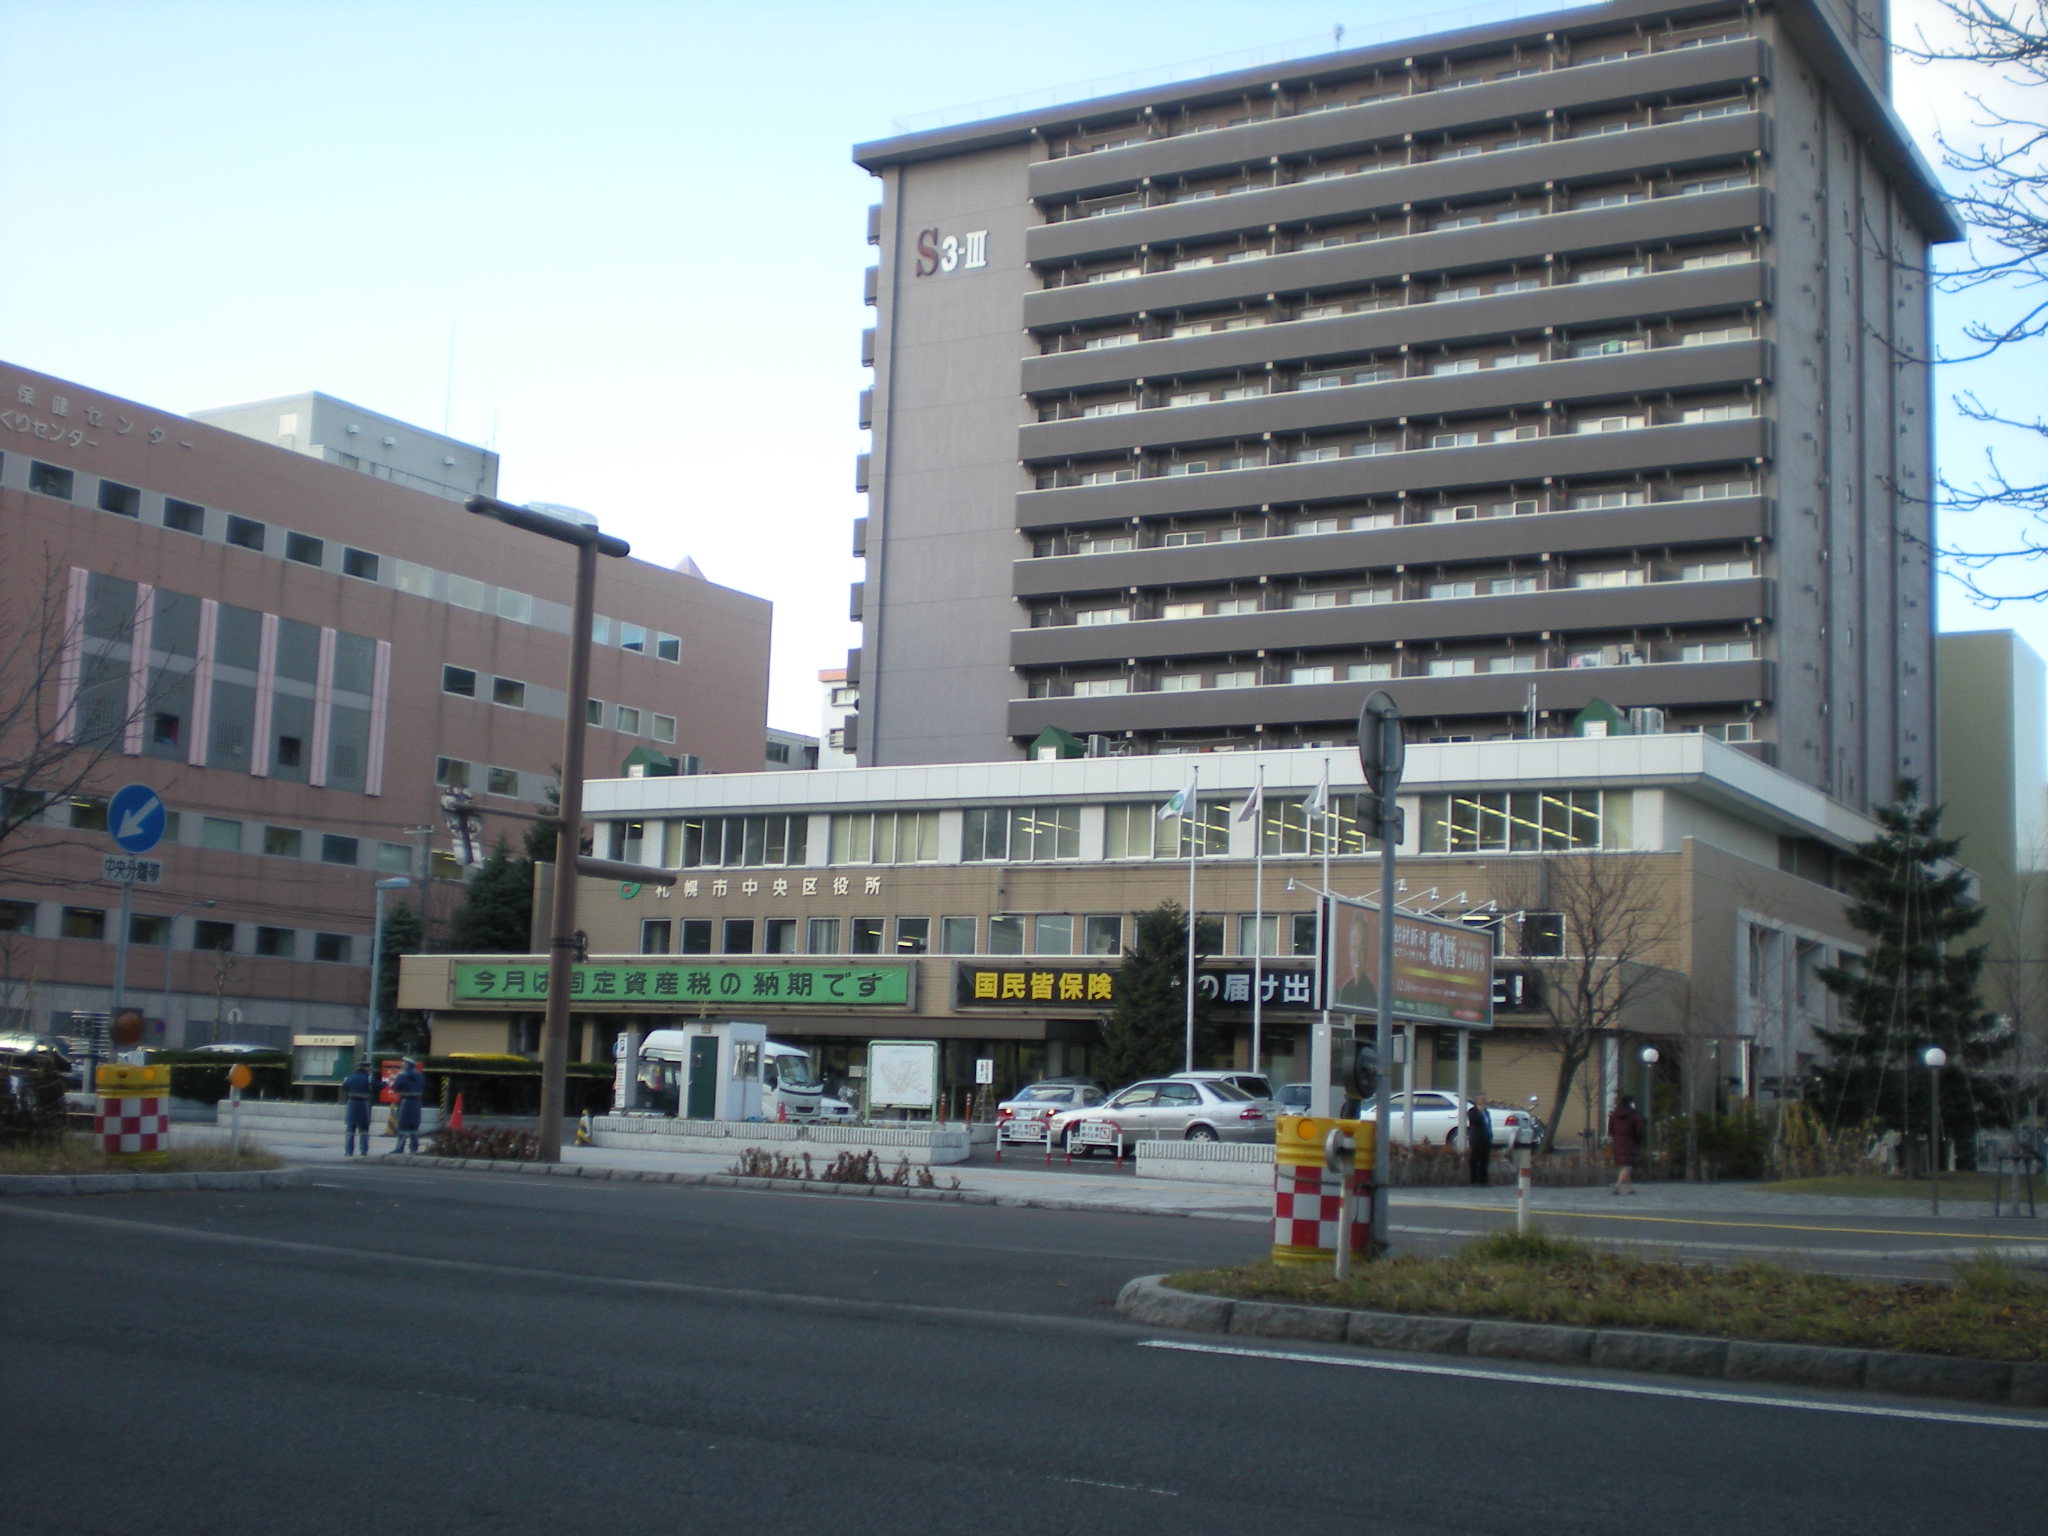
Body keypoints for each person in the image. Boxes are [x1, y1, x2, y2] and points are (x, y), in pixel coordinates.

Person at [1608, 1093, 1647, 1195]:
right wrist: (1638, 1139)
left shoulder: (1614, 1115)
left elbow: (1610, 1130)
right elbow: (1639, 1130)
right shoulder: (1634, 1116)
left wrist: (1616, 1137)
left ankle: (1629, 1188)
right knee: (1627, 1166)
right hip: (1630, 1142)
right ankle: (1617, 1185)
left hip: (1617, 1141)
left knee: (1625, 1165)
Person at [390, 1056, 427, 1154]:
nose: (402, 1065)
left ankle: (399, 1148)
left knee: (402, 1126)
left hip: (405, 1102)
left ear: (407, 1065)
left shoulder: (403, 1076)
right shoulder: (420, 1076)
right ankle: (414, 1148)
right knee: (414, 1127)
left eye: (403, 1063)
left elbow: (396, 1088)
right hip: (417, 1103)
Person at [342, 1059, 375, 1157]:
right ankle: (363, 1151)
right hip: (364, 1105)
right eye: (369, 1067)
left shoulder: (350, 1077)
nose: (370, 1069)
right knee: (364, 1129)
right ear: (366, 1068)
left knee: (350, 1129)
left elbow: (344, 1087)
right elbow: (378, 1086)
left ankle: (348, 1151)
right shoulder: (368, 1078)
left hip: (352, 1103)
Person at [1466, 1095, 1494, 1186]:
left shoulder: (1487, 1112)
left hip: (1486, 1139)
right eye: (1481, 1100)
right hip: (1476, 1139)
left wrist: (1490, 1135)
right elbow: (1473, 1121)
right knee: (1474, 1160)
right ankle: (1474, 1180)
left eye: (1484, 1100)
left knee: (1484, 1160)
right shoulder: (1472, 1111)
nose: (1483, 1102)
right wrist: (1480, 1113)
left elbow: (1488, 1124)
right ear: (1477, 1101)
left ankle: (1484, 1180)